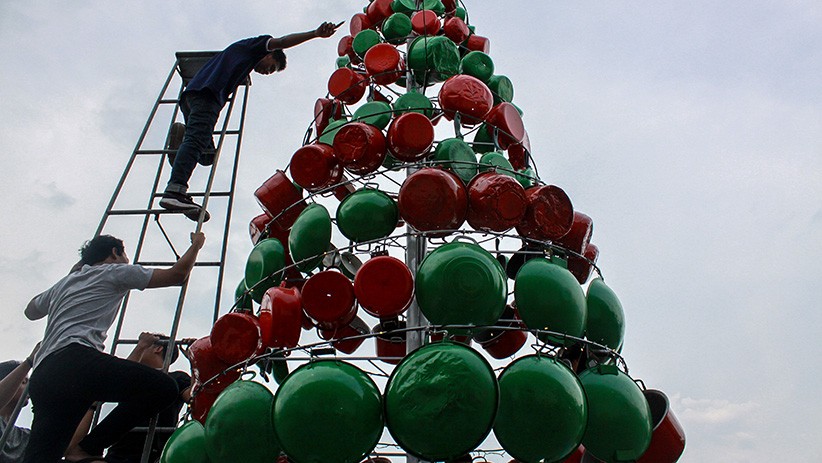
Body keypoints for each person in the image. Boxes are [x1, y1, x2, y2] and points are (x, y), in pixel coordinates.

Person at [22, 232, 205, 463]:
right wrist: (197, 246)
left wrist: (71, 275)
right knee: (162, 387)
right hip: (76, 360)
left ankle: (82, 449)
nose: (126, 258)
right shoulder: (114, 271)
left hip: (44, 374)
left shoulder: (66, 283)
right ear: (115, 252)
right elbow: (177, 275)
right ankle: (89, 448)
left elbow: (30, 311)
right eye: (124, 253)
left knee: (41, 457)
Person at [159, 21, 342, 222]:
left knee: (207, 155)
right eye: (270, 68)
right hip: (207, 96)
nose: (266, 73)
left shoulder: (239, 56)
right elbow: (282, 41)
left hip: (193, 96)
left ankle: (180, 143)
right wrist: (315, 33)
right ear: (269, 54)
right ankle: (175, 190)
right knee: (195, 141)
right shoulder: (255, 46)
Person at [104, 333, 192, 463]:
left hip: (156, 454)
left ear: (158, 348)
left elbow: (194, 398)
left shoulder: (176, 378)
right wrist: (141, 347)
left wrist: (196, 360)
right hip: (119, 453)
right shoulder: (133, 377)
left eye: (147, 345)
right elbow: (120, 376)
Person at [0, 344, 38, 463]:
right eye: (23, 382)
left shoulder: (23, 437)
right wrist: (28, 362)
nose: (29, 388)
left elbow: (69, 447)